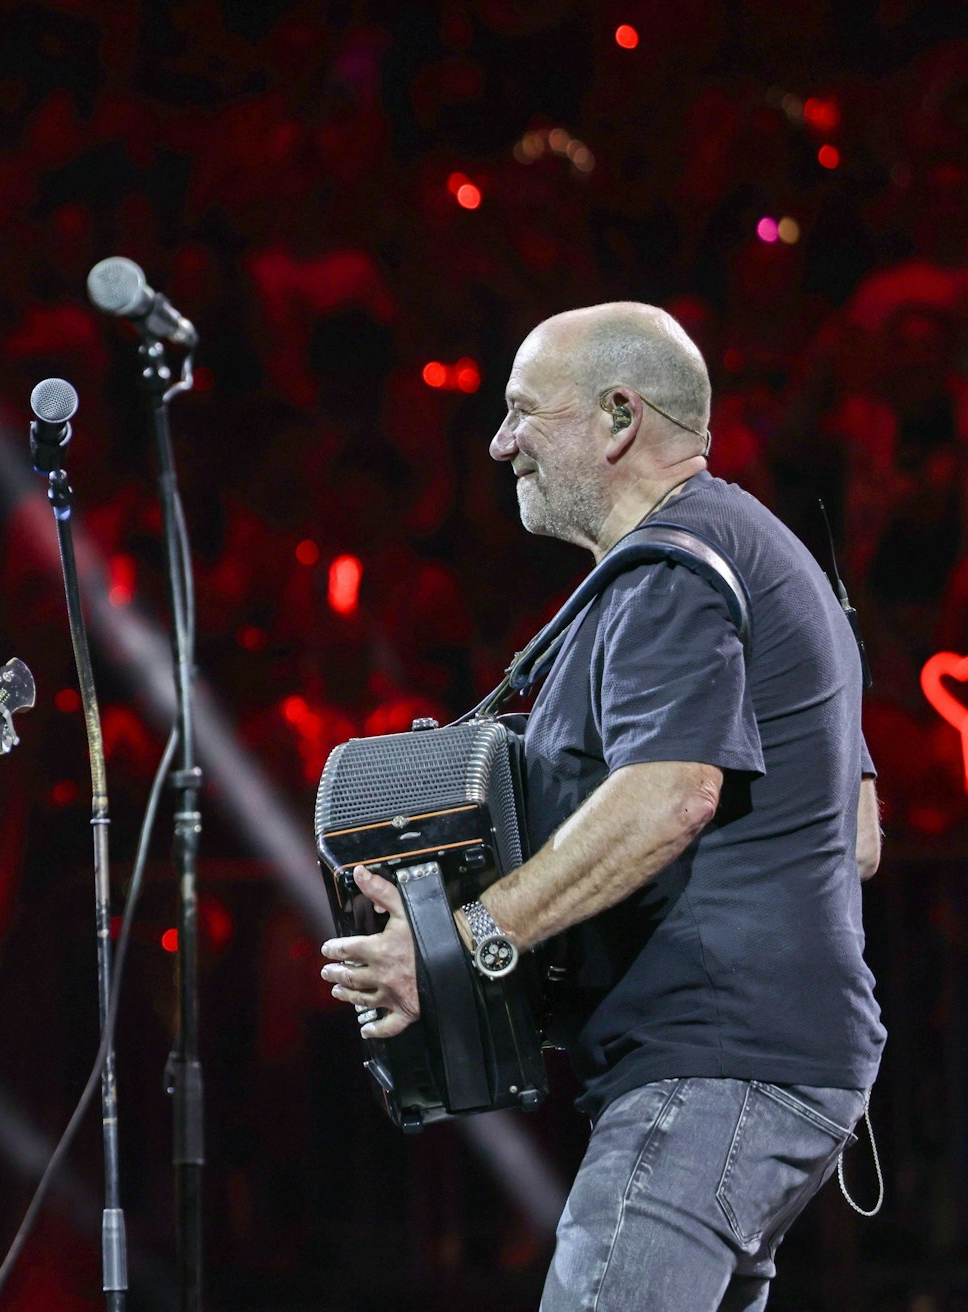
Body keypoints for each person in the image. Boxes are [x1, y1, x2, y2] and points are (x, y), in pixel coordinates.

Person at [320, 302, 883, 1311]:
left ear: (620, 416)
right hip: (778, 1066)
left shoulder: (675, 567)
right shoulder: (746, 553)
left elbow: (671, 794)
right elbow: (863, 836)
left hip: (711, 1069)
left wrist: (469, 936)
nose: (498, 445)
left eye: (523, 412)